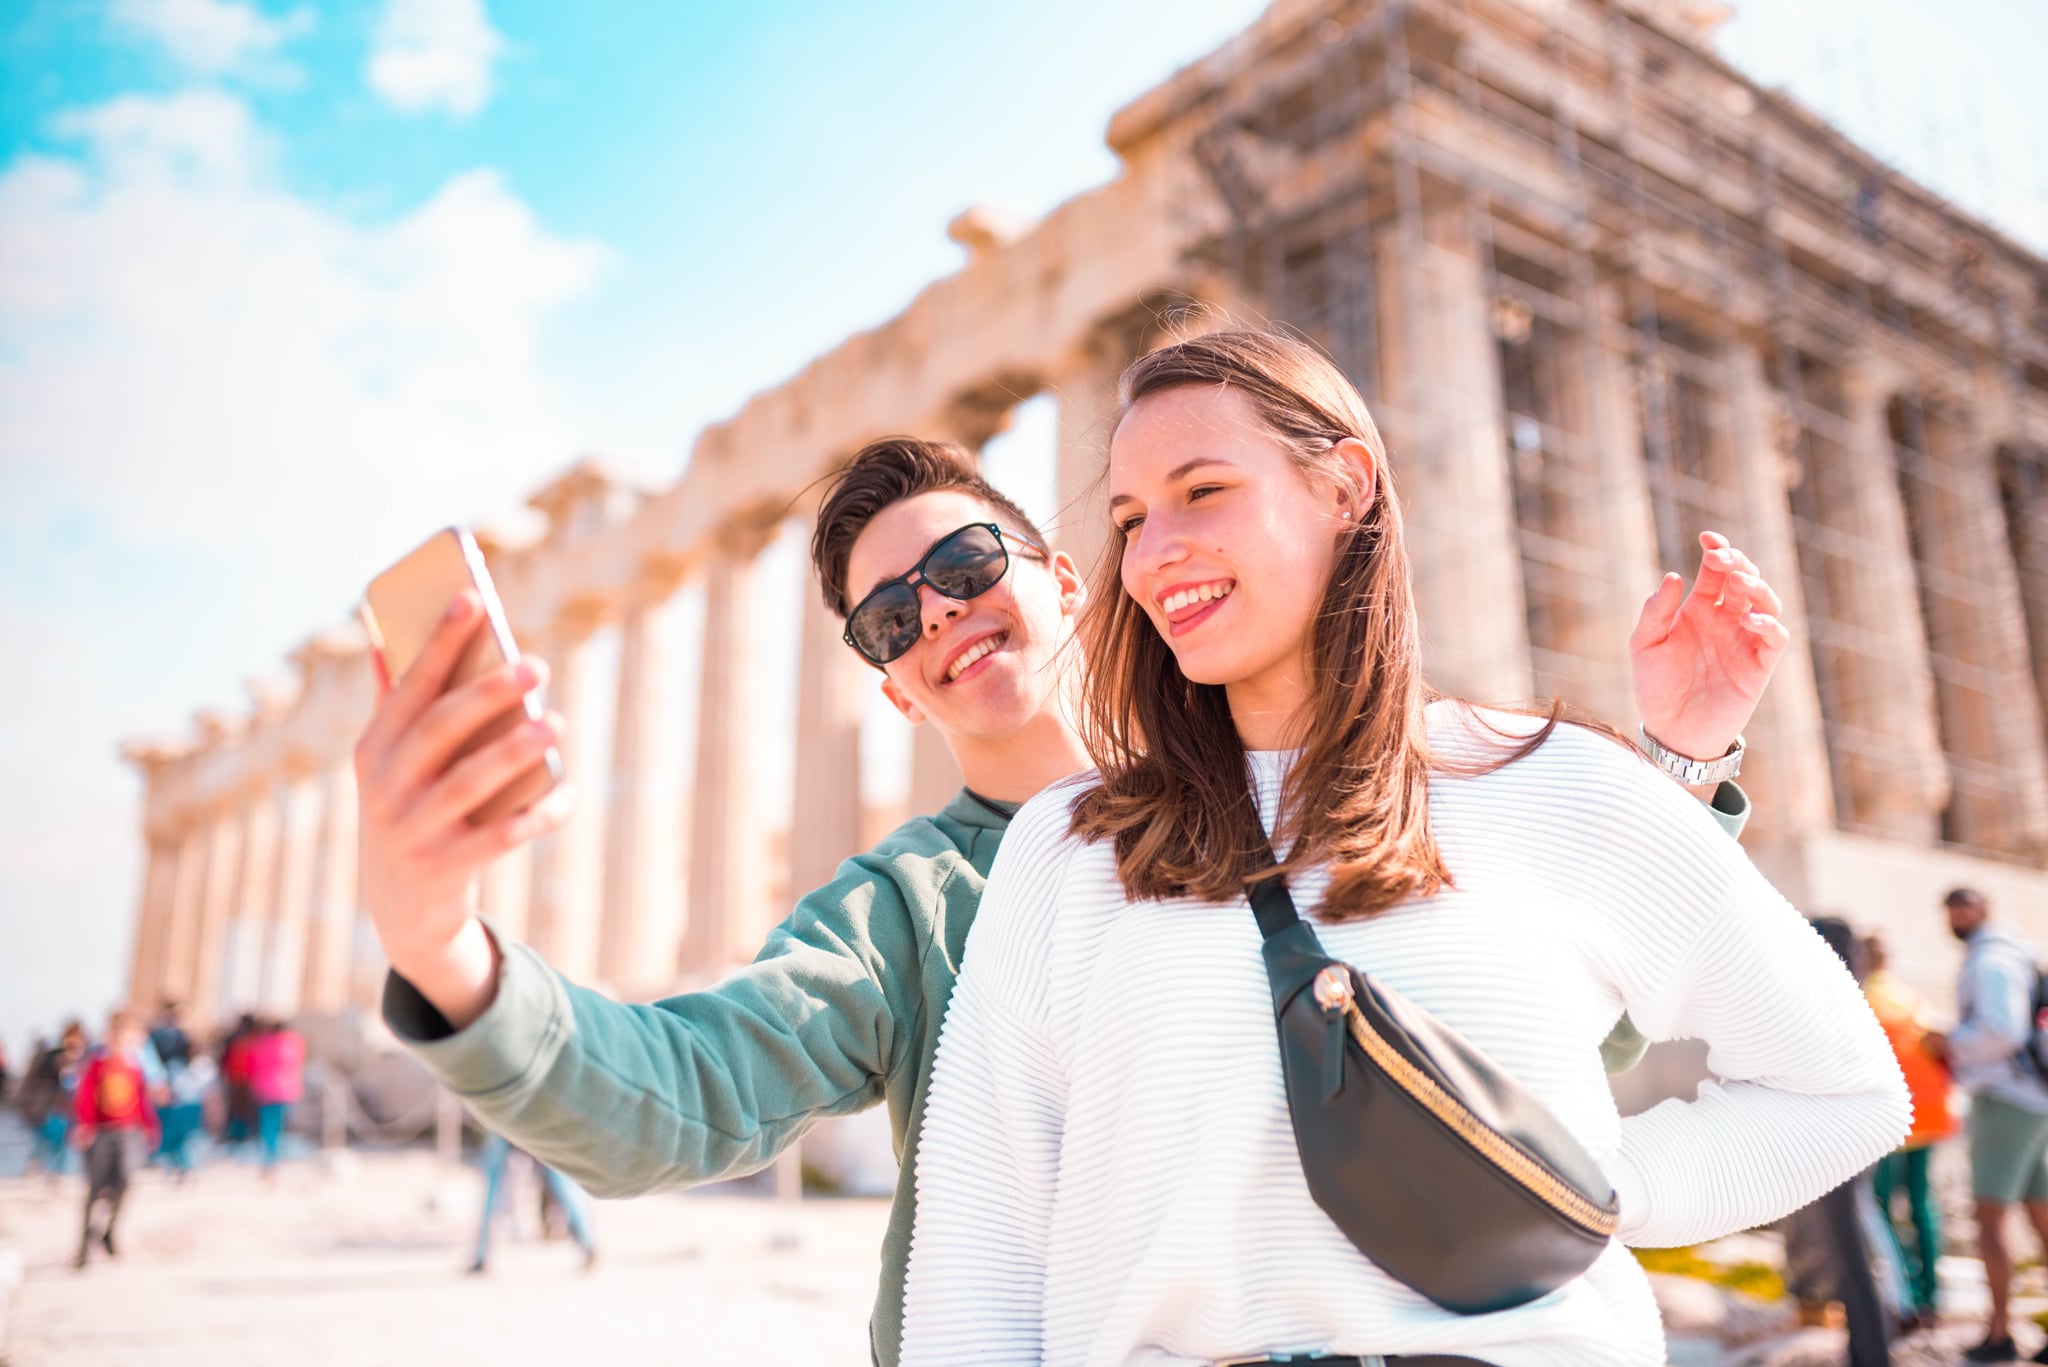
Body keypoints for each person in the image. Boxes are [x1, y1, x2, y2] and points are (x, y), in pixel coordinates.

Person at [364, 425, 1782, 1366]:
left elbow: (1542, 1062)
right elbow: (680, 1092)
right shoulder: (916, 908)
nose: (939, 612)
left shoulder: (1319, 788)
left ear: (1058, 576)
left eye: (966, 564)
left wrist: (1685, 758)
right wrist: (443, 942)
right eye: (889, 616)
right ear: (889, 681)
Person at [897, 328, 1909, 1365]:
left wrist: (1595, 1183)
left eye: (1201, 490)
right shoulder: (1067, 847)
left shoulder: (1558, 783)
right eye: (1128, 517)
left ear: (1342, 484)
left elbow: (1843, 1091)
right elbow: (980, 1245)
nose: (1152, 553)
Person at [1924, 887, 2048, 1362]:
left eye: (1961, 906)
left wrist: (1951, 1042)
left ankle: (1999, 1334)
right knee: (2040, 1215)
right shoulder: (2014, 953)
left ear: (1983, 909)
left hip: (2007, 1096)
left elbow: (2002, 1029)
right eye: (1949, 906)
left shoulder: (1991, 960)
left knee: (1990, 1218)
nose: (1953, 915)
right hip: (2032, 1097)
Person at [1864, 931, 1955, 1332]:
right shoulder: (1913, 997)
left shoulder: (1860, 995)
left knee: (1883, 1206)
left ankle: (1908, 1300)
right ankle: (1932, 1295)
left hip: (1889, 1118)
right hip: (1929, 1114)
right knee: (1922, 1205)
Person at [73, 1012, 160, 1269]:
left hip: (129, 1131)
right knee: (95, 1187)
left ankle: (108, 1231)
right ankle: (83, 1244)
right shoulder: (97, 1064)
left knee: (125, 1181)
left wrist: (149, 1127)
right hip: (102, 1131)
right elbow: (86, 1097)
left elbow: (142, 1100)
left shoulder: (135, 1066)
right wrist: (85, 1125)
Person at [468, 1129, 597, 1274]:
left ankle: (482, 1253)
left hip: (505, 1120)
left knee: (495, 1184)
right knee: (561, 1178)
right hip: (541, 1119)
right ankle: (588, 1245)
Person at [23, 1021, 87, 1179]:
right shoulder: (52, 1057)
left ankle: (58, 1174)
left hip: (69, 1110)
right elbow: (35, 1082)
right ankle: (38, 1165)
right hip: (49, 1107)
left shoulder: (84, 1060)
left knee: (64, 1144)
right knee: (45, 1140)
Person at [246, 1018, 305, 1177]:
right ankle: (276, 1159)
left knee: (268, 1128)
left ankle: (269, 1160)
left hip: (265, 1090)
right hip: (287, 1091)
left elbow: (251, 1066)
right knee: (280, 1127)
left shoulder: (262, 1044)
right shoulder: (294, 1044)